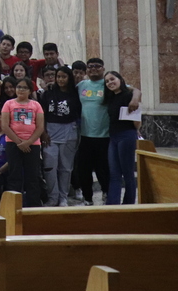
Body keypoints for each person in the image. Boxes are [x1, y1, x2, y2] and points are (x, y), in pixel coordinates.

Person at [39, 67, 81, 206]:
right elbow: (42, 114)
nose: (61, 79)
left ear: (69, 78)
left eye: (64, 77)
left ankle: (63, 197)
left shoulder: (75, 94)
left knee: (66, 168)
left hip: (69, 132)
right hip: (50, 133)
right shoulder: (48, 93)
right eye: (58, 77)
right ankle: (53, 197)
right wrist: (43, 132)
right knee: (49, 167)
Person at [1, 77, 44, 207]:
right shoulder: (8, 104)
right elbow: (5, 126)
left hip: (33, 145)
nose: (21, 90)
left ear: (30, 90)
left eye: (24, 88)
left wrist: (28, 142)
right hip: (13, 144)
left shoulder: (36, 105)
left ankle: (33, 207)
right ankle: (13, 207)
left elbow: (40, 127)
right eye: (19, 87)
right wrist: (19, 143)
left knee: (33, 177)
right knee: (14, 176)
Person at [76, 58, 111, 205]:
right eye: (90, 67)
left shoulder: (108, 84)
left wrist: (135, 99)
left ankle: (106, 192)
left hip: (105, 135)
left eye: (97, 66)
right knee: (84, 169)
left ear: (103, 68)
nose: (93, 69)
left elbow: (133, 90)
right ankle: (88, 197)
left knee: (103, 168)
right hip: (85, 135)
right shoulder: (81, 85)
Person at [104, 71, 139, 205]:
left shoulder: (129, 95)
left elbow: (136, 120)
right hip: (113, 137)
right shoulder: (111, 97)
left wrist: (136, 131)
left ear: (120, 79)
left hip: (126, 135)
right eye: (107, 81)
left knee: (128, 173)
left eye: (112, 79)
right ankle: (113, 205)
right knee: (114, 173)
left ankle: (128, 205)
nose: (110, 83)